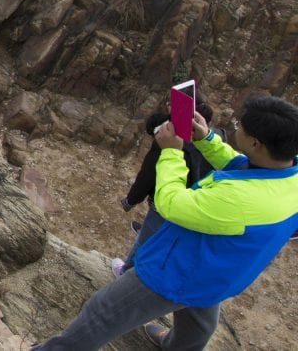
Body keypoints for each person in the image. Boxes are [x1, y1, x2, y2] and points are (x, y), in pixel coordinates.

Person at [34, 95, 298, 350]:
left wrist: (172, 152)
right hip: (218, 272)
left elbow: (170, 204)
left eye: (240, 126)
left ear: (255, 144)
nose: (236, 128)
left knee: (102, 313)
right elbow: (240, 165)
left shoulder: (240, 199)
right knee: (198, 323)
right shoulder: (288, 174)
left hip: (177, 271)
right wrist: (206, 139)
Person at [113, 97, 220, 275]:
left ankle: (126, 273)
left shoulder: (171, 143)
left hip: (167, 202)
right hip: (194, 205)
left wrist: (131, 200)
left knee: (145, 241)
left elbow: (149, 174)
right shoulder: (215, 140)